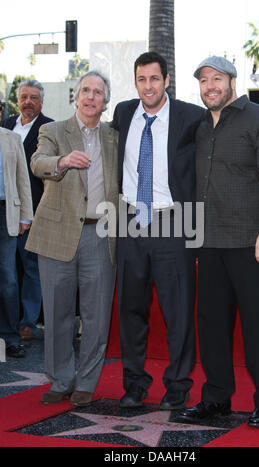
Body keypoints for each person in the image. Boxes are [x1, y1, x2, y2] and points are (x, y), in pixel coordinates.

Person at [178, 56, 259, 428]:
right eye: (204, 80)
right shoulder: (198, 126)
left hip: (252, 240)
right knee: (211, 324)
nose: (210, 86)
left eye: (217, 79)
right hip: (209, 241)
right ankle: (216, 399)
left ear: (231, 80)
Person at [112, 51, 205, 410]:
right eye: (141, 79)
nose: (148, 86)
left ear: (167, 80)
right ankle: (134, 384)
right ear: (135, 82)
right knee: (130, 309)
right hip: (130, 221)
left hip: (175, 222)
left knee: (178, 310)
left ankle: (178, 386)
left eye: (154, 79)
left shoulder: (191, 117)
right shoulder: (122, 114)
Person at [25, 71, 118, 407]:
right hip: (56, 234)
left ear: (105, 101)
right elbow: (38, 162)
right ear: (76, 96)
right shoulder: (52, 130)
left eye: (98, 92)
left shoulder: (114, 136)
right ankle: (61, 379)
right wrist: (62, 162)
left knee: (96, 315)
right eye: (85, 90)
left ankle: (87, 383)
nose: (91, 97)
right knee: (58, 312)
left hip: (101, 234)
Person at [1, 80, 53, 341]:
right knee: (8, 270)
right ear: (17, 100)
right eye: (24, 97)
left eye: (33, 97)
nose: (28, 102)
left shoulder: (50, 128)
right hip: (6, 211)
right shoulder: (6, 125)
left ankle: (28, 323)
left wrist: (32, 213)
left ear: (41, 102)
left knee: (31, 267)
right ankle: (10, 321)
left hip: (35, 210)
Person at [0, 127, 33, 357]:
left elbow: (23, 178)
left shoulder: (12, 138)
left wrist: (25, 215)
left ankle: (10, 338)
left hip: (6, 215)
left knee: (8, 279)